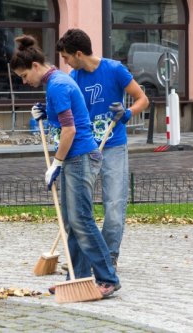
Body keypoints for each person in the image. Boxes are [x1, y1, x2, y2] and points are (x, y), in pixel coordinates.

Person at [9, 35, 120, 296]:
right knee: (72, 222)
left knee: (81, 220)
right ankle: (76, 277)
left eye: (24, 76)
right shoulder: (58, 82)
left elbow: (69, 130)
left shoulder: (57, 85)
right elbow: (69, 116)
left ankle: (108, 278)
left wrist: (56, 163)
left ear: (36, 66)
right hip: (76, 156)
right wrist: (47, 113)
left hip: (79, 157)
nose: (25, 82)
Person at [56, 29, 149, 268]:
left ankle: (109, 255)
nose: (65, 62)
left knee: (115, 204)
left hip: (113, 145)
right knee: (78, 206)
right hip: (85, 148)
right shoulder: (73, 77)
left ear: (78, 53)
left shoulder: (115, 70)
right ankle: (82, 256)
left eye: (66, 57)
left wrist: (127, 113)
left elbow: (142, 99)